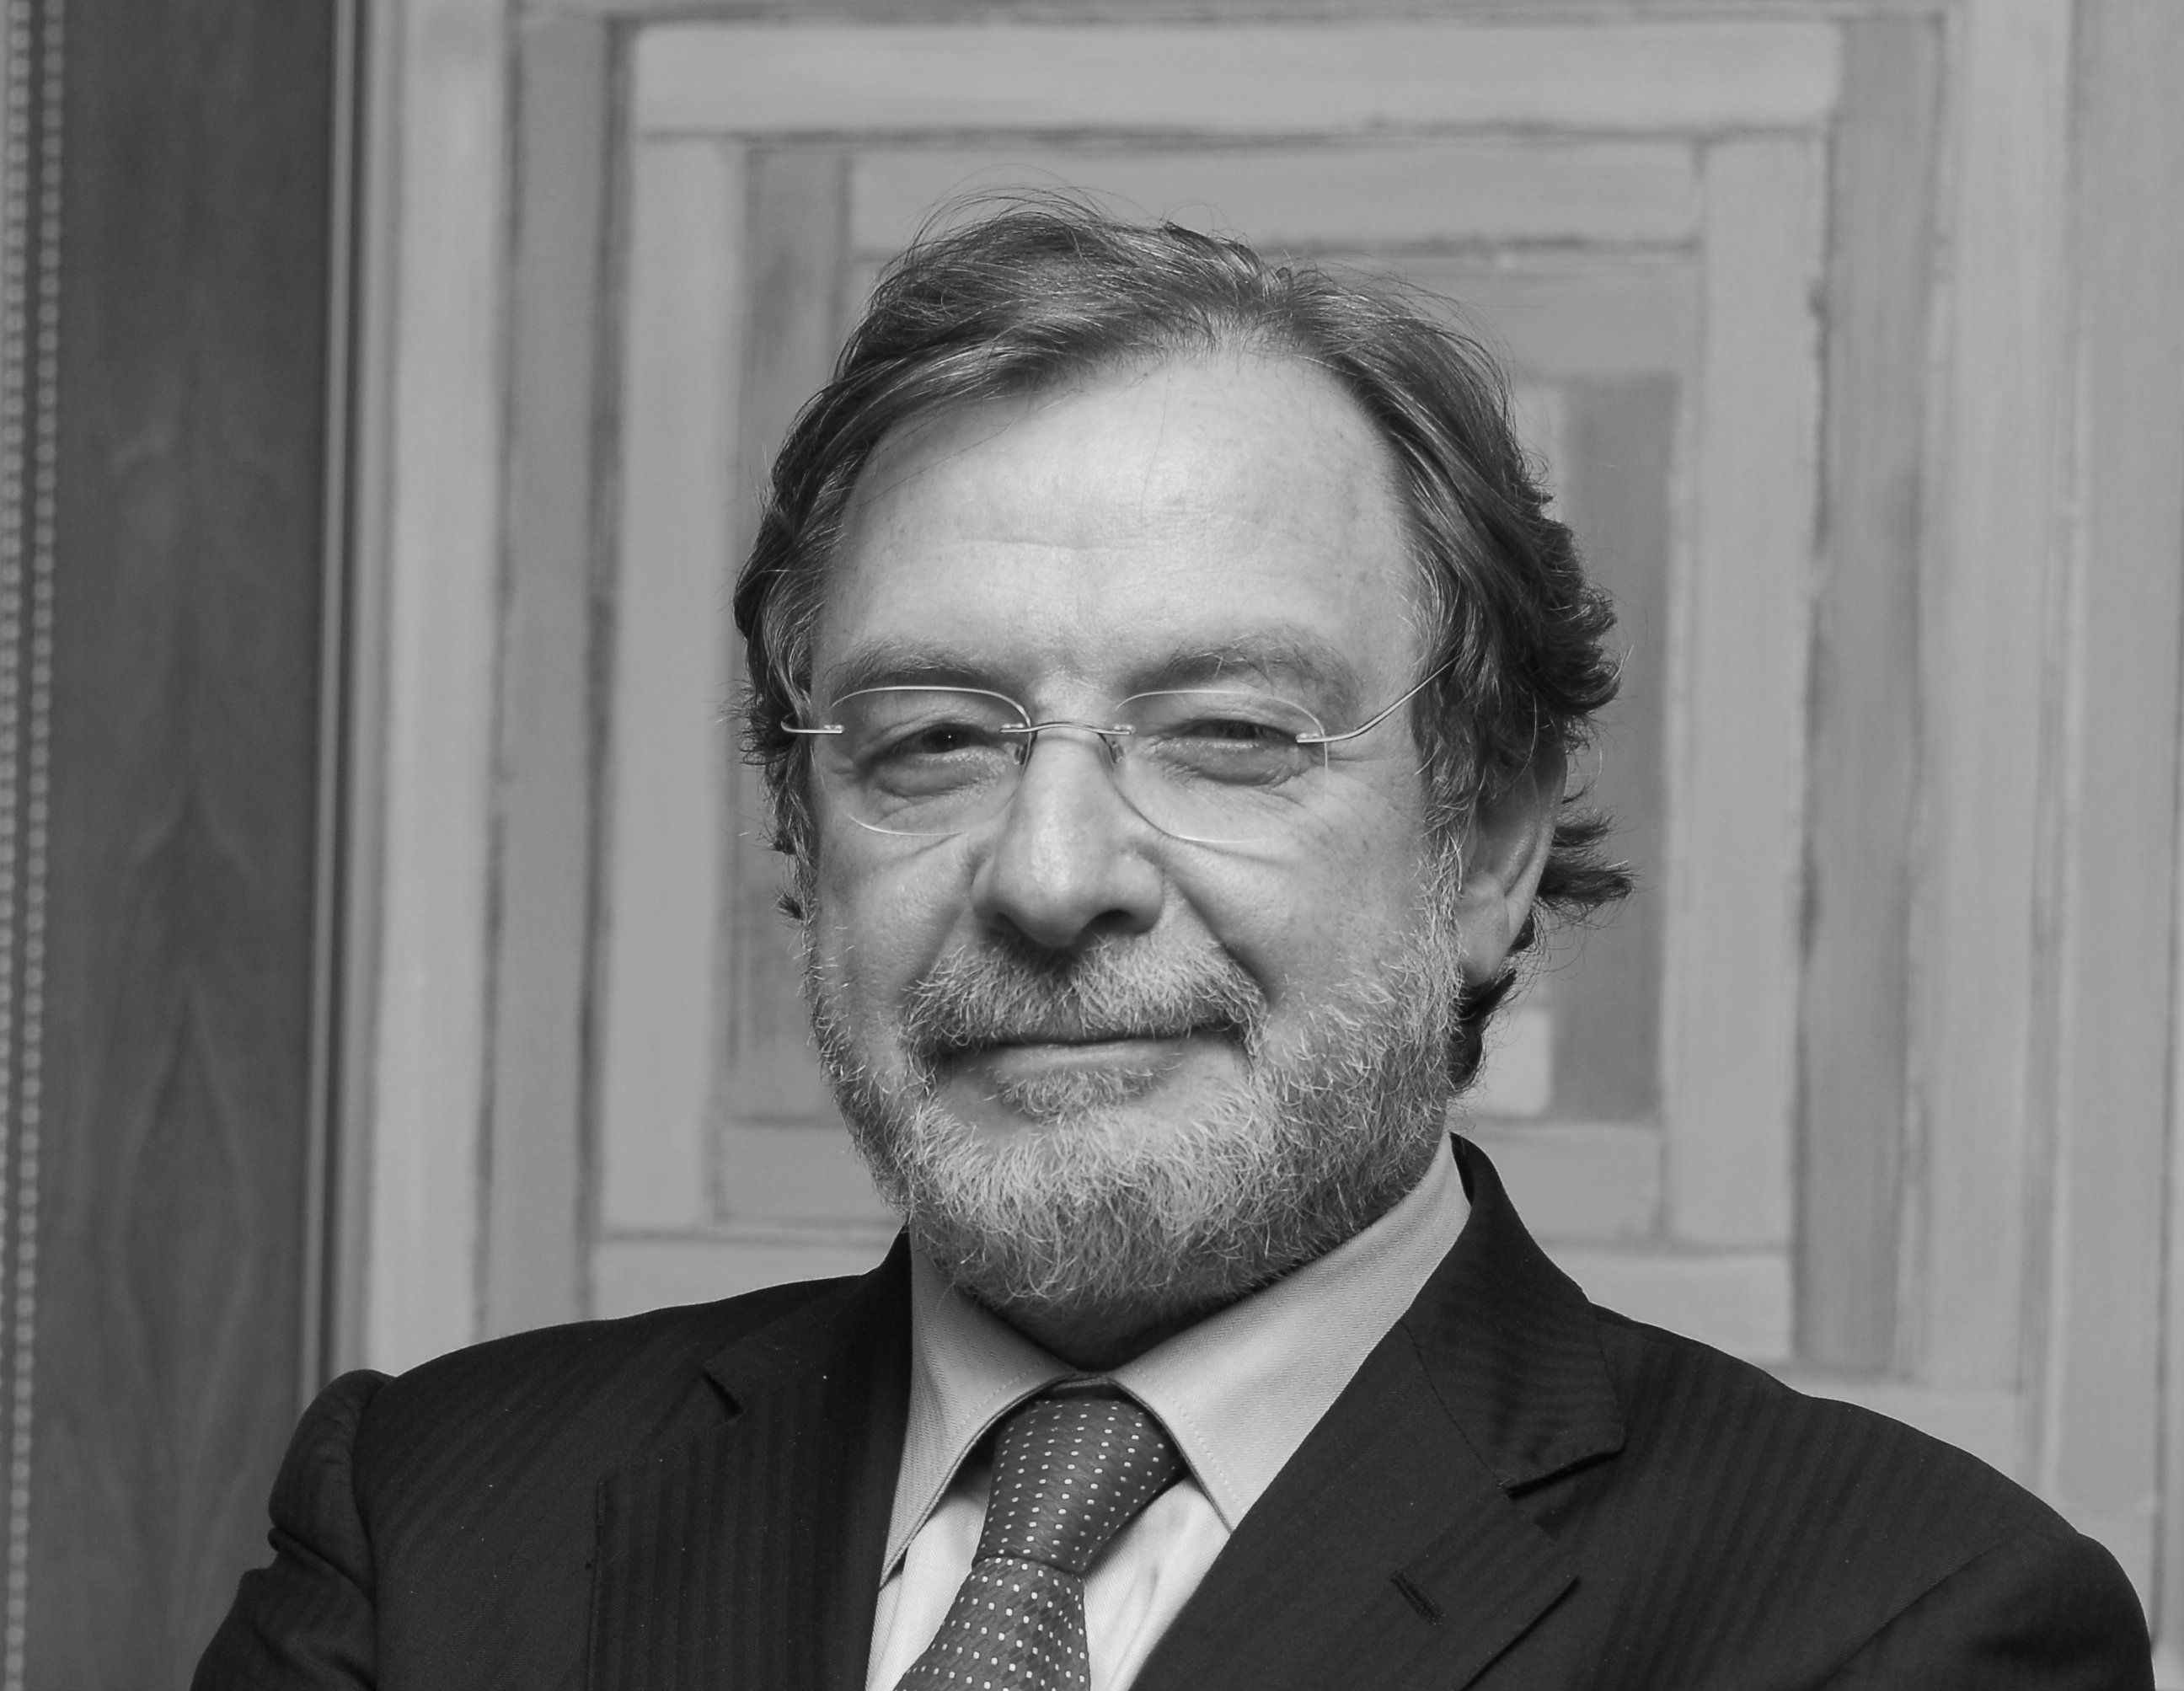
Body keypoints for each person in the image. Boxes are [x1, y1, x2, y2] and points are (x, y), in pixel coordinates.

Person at [195, 200, 2153, 1689]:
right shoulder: (434, 1522)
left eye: (1227, 732)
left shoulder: (1897, 1623)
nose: (1052, 875)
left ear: (1485, 843)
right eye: (933, 739)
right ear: (802, 832)